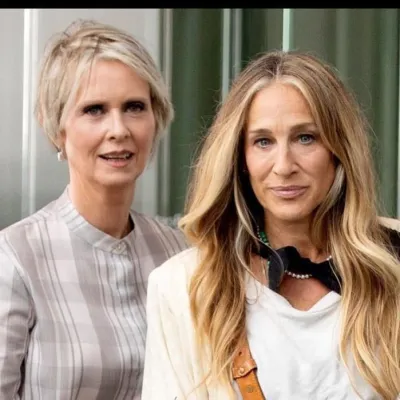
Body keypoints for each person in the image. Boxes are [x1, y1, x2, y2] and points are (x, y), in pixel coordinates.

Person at [142, 50, 400, 400]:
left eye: (305, 137)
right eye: (263, 141)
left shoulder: (391, 265)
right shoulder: (183, 287)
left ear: (339, 149)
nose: (284, 165)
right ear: (241, 158)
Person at [0, 19, 187, 399]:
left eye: (134, 107)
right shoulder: (15, 259)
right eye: (94, 110)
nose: (118, 129)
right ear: (57, 128)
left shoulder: (179, 253)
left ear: (157, 119)